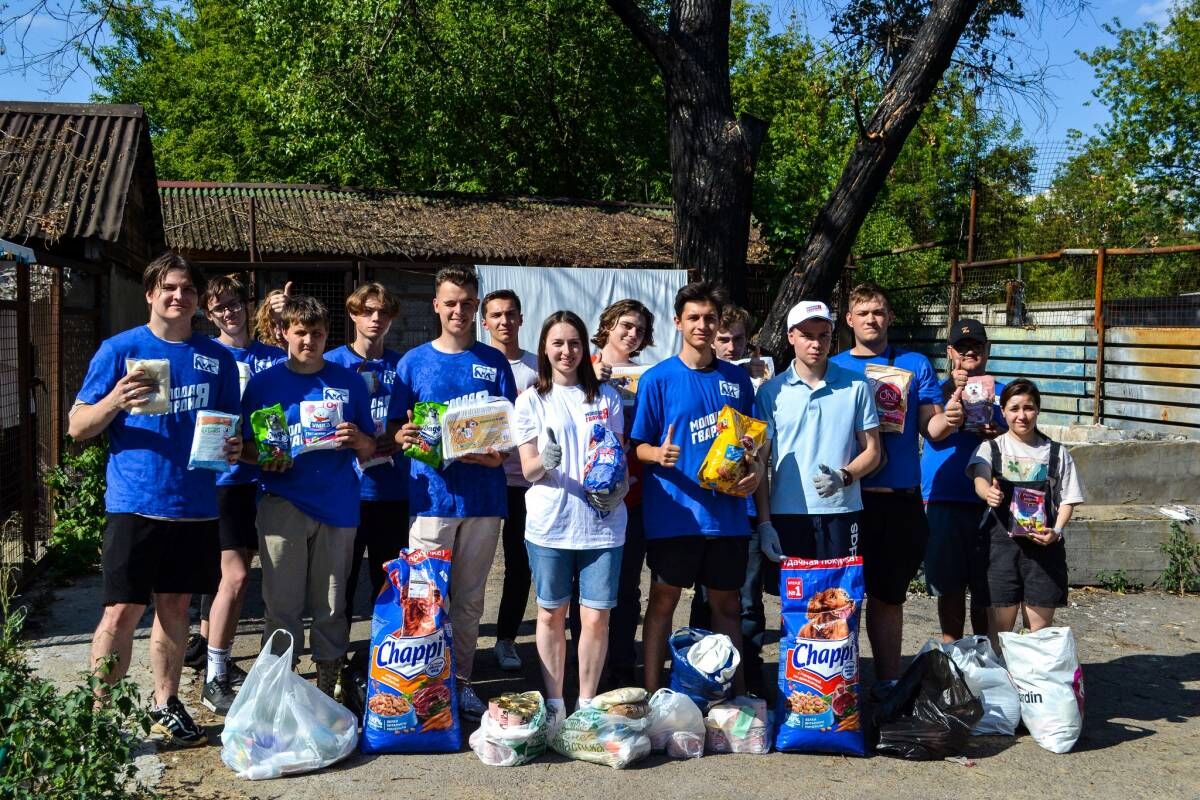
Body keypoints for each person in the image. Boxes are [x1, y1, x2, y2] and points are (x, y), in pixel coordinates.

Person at [71, 252, 241, 746]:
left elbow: (231, 430)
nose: (177, 296)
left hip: (196, 506)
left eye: (187, 290)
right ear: (150, 294)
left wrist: (234, 445)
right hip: (135, 502)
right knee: (121, 611)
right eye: (168, 287)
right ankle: (98, 715)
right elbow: (77, 427)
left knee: (176, 607)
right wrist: (114, 401)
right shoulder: (120, 349)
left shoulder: (219, 358)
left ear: (198, 300)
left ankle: (165, 702)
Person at [390, 266, 517, 720]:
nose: (459, 310)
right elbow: (395, 429)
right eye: (451, 302)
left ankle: (460, 683)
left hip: (483, 500)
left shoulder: (494, 362)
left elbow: (509, 433)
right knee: (424, 598)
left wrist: (495, 455)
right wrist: (403, 436)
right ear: (436, 306)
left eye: (467, 302)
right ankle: (420, 685)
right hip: (430, 501)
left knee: (468, 600)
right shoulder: (412, 363)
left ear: (476, 308)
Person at [240, 295, 377, 696]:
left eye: (316, 333)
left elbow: (370, 447)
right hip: (282, 502)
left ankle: (326, 687)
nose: (308, 341)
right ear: (284, 333)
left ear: (326, 335)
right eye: (300, 332)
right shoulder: (265, 385)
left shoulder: (347, 381)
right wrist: (265, 458)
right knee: (281, 605)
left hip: (337, 504)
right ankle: (279, 687)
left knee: (332, 605)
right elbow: (245, 446)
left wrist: (358, 439)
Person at [829, 283, 962, 690]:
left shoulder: (915, 363)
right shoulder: (831, 367)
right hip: (844, 500)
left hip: (898, 502)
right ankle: (837, 685)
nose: (872, 319)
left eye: (879, 312)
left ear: (890, 318)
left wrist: (952, 414)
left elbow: (933, 429)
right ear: (849, 320)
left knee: (889, 598)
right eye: (863, 312)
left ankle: (888, 684)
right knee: (838, 599)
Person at [630, 282, 760, 693]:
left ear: (719, 322)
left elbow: (751, 442)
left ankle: (734, 696)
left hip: (727, 517)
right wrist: (658, 454)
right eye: (694, 318)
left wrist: (753, 472)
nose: (702, 325)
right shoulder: (658, 378)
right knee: (663, 605)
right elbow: (637, 447)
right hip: (675, 514)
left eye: (709, 318)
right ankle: (653, 695)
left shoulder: (736, 379)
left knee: (727, 607)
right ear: (678, 322)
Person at [515, 310, 627, 723]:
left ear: (586, 347)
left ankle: (586, 704)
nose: (567, 351)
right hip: (550, 523)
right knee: (551, 613)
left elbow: (620, 463)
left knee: (596, 617)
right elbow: (526, 469)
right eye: (558, 343)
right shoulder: (531, 400)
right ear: (545, 347)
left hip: (602, 526)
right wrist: (544, 461)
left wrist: (618, 491)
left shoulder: (607, 398)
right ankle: (555, 703)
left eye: (575, 343)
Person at [191, 274, 285, 714]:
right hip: (226, 482)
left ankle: (225, 659)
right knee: (235, 577)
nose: (230, 312)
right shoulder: (206, 356)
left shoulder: (271, 356)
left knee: (253, 576)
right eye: (219, 307)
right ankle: (215, 675)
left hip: (269, 479)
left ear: (248, 306)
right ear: (209, 315)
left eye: (234, 303)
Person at [754, 301, 881, 564]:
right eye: (807, 336)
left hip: (842, 511)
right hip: (787, 512)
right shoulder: (771, 392)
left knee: (840, 600)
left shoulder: (857, 385)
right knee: (795, 601)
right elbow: (760, 462)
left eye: (823, 335)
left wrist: (844, 475)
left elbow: (873, 451)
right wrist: (765, 524)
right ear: (791, 337)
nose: (816, 344)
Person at [968, 379, 1083, 651]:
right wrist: (988, 493)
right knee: (1000, 634)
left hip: (1043, 550)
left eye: (1029, 408)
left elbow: (1069, 498)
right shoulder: (992, 448)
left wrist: (1056, 530)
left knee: (1039, 636)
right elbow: (979, 477)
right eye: (1015, 408)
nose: (1022, 415)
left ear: (1038, 410)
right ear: (1003, 411)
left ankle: (1033, 687)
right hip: (1000, 551)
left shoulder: (1056, 453)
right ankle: (1002, 686)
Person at [692, 303, 769, 693]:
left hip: (748, 509)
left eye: (739, 339)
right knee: (705, 598)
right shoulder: (703, 379)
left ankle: (748, 676)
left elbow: (762, 442)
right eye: (724, 338)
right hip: (706, 510)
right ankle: (700, 673)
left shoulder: (755, 382)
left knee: (748, 601)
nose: (731, 346)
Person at [325, 283, 409, 641]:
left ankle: (382, 663)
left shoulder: (402, 365)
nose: (376, 318)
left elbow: (413, 418)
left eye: (383, 312)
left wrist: (403, 434)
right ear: (353, 314)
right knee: (336, 586)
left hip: (392, 492)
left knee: (389, 583)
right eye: (368, 311)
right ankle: (334, 663)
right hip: (345, 493)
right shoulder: (332, 364)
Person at [922, 319, 1006, 642]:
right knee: (949, 586)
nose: (970, 352)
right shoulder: (936, 391)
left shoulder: (1004, 393)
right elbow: (927, 426)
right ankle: (953, 653)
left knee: (986, 586)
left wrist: (1000, 432)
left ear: (987, 350)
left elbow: (1025, 436)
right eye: (962, 347)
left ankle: (984, 654)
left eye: (976, 347)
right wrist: (949, 393)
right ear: (950, 352)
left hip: (991, 500)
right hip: (944, 497)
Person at [589, 298, 655, 688]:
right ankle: (589, 669)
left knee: (628, 588)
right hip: (593, 497)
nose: (632, 334)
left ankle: (621, 667)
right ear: (608, 325)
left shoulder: (651, 376)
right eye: (625, 326)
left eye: (640, 330)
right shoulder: (585, 368)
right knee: (592, 590)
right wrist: (593, 379)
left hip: (636, 494)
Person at [480, 289, 539, 672]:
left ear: (520, 319)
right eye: (496, 315)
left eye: (511, 314)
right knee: (473, 566)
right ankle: (455, 637)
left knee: (520, 564)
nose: (504, 321)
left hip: (526, 482)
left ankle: (506, 639)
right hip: (484, 478)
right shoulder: (477, 363)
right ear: (484, 322)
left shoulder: (538, 366)